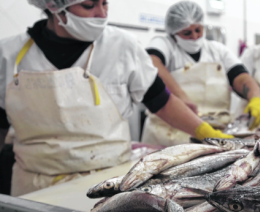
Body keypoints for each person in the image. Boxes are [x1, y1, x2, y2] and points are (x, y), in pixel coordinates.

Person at [0, 0, 234, 196]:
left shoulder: (121, 47)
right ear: (53, 5)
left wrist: (208, 134)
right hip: (34, 188)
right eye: (89, 5)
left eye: (105, 3)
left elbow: (161, 102)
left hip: (111, 179)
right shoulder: (8, 55)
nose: (101, 13)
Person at [141, 1, 260, 146]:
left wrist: (256, 98)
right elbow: (151, 63)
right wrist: (181, 97)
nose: (194, 37)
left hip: (215, 133)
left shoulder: (218, 50)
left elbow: (241, 76)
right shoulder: (164, 44)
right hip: (167, 136)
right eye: (187, 33)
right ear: (173, 33)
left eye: (198, 30)